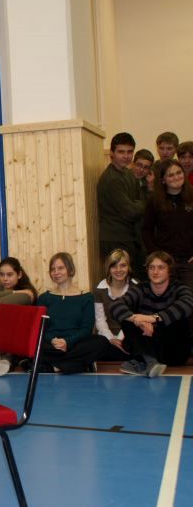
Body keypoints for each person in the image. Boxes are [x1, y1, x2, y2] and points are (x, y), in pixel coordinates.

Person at [111, 251, 193, 377]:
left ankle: (144, 361)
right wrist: (137, 320)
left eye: (161, 268)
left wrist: (152, 318)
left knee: (180, 318)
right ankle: (150, 362)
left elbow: (188, 304)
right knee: (127, 319)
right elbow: (115, 305)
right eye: (151, 268)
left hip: (173, 352)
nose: (155, 272)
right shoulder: (141, 289)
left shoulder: (179, 288)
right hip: (149, 346)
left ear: (169, 271)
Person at [34, 252, 109, 374]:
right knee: (32, 343)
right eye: (53, 269)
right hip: (50, 345)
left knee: (101, 342)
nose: (56, 272)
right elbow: (40, 327)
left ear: (71, 270)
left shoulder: (86, 297)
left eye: (60, 268)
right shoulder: (44, 298)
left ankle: (53, 366)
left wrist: (67, 342)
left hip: (75, 344)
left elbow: (86, 329)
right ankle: (74, 365)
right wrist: (52, 340)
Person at [97, 132, 146, 280]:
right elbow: (131, 212)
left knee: (134, 282)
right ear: (112, 153)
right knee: (120, 283)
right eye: (121, 152)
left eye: (130, 152)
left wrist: (138, 205)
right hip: (115, 240)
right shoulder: (111, 179)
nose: (126, 156)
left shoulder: (128, 174)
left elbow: (138, 204)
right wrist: (141, 204)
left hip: (130, 237)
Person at [142, 159, 193, 290]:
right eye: (170, 175)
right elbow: (147, 230)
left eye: (179, 172)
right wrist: (156, 255)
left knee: (189, 298)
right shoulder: (154, 200)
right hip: (165, 262)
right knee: (167, 297)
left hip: (189, 261)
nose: (176, 177)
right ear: (163, 180)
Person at [0, 257, 38, 376]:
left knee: (0, 315)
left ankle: (2, 360)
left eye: (9, 275)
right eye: (1, 274)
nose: (5, 278)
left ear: (19, 275)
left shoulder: (27, 293)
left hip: (16, 335)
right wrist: (13, 292)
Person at [93, 249, 138, 361]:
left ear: (128, 267)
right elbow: (100, 320)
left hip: (128, 335)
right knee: (95, 344)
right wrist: (111, 339)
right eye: (114, 266)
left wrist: (119, 339)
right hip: (106, 336)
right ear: (108, 268)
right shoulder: (100, 289)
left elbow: (133, 319)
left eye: (123, 265)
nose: (118, 270)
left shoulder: (136, 287)